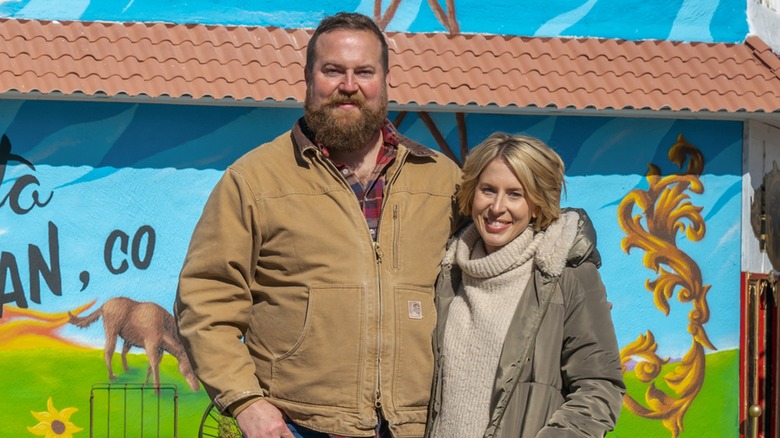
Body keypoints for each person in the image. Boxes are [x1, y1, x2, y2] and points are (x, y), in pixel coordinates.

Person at [174, 11, 461, 438]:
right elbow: (206, 300)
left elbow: (506, 261)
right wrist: (246, 402)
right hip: (299, 425)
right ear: (308, 78)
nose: (349, 85)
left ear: (384, 80)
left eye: (364, 71)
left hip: (421, 425)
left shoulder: (442, 179)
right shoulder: (254, 179)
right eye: (333, 71)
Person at [425, 133, 625, 438]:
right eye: (488, 190)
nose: (497, 207)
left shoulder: (567, 274)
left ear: (537, 204)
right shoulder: (446, 272)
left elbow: (599, 387)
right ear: (471, 194)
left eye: (515, 194)